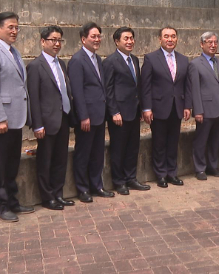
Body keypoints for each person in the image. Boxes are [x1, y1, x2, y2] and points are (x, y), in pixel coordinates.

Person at [0, 12, 34, 221]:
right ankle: (1, 206)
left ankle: (12, 201)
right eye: (10, 27)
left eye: (17, 27)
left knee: (12, 163)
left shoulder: (14, 52)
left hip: (15, 118)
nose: (14, 31)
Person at [26, 25, 74, 211]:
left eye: (59, 40)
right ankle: (47, 198)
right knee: (45, 161)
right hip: (46, 122)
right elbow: (34, 98)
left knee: (60, 159)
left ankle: (58, 193)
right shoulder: (36, 66)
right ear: (43, 42)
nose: (56, 43)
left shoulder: (61, 63)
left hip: (63, 118)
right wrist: (37, 124)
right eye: (52, 40)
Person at [68, 22, 114, 203]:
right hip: (86, 117)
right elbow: (77, 92)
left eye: (99, 36)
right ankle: (82, 189)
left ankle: (97, 186)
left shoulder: (97, 59)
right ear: (83, 38)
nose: (97, 39)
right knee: (83, 153)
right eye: (93, 36)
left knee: (97, 153)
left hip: (99, 115)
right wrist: (83, 116)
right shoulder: (77, 60)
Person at [141, 27, 190, 188]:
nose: (170, 39)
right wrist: (146, 108)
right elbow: (145, 86)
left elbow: (186, 86)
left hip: (177, 108)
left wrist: (187, 105)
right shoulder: (151, 58)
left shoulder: (183, 59)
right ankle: (161, 174)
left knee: (173, 142)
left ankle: (172, 173)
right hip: (158, 108)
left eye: (173, 36)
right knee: (159, 143)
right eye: (166, 36)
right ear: (160, 39)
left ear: (177, 39)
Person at [103, 27, 150, 195]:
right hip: (119, 114)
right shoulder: (110, 61)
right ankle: (119, 181)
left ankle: (131, 178)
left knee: (132, 147)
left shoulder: (135, 60)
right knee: (118, 149)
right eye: (126, 39)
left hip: (134, 112)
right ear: (117, 41)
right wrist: (114, 111)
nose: (130, 41)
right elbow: (108, 89)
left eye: (132, 38)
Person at [187, 31, 219, 180]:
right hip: (205, 110)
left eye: (215, 42)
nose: (213, 45)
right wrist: (198, 111)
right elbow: (194, 89)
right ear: (202, 44)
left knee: (215, 140)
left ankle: (212, 166)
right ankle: (200, 168)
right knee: (201, 140)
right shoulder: (195, 64)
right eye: (209, 42)